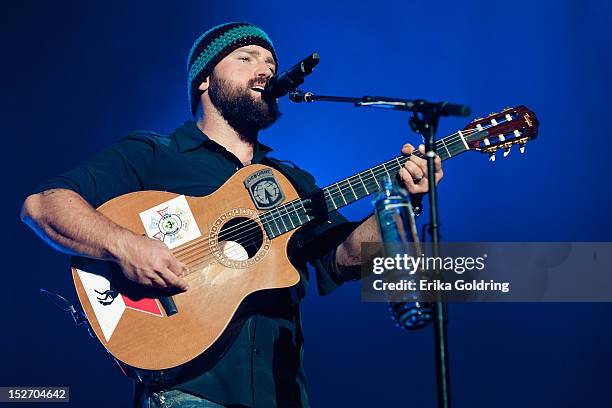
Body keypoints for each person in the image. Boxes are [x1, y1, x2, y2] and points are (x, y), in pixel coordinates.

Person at [20, 22, 443, 408]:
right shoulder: (155, 154)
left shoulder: (293, 182)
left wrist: (400, 198)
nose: (265, 69)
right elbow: (44, 204)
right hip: (187, 391)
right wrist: (125, 245)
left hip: (282, 393)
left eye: (271, 63)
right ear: (204, 79)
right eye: (246, 58)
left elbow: (347, 259)